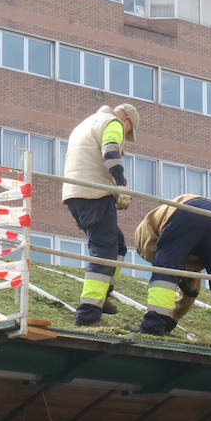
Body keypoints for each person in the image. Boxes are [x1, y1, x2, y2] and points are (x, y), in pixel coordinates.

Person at [62, 102, 140, 326]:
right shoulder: (112, 123)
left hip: (73, 194)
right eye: (129, 132)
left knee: (118, 245)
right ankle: (88, 314)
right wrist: (121, 185)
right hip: (94, 194)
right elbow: (111, 152)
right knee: (103, 250)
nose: (126, 135)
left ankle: (103, 295)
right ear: (126, 121)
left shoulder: (85, 124)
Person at [133, 194, 211, 343]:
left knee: (165, 268)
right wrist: (173, 317)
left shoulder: (144, 235)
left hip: (188, 211)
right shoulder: (189, 250)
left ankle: (152, 326)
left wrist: (169, 267)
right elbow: (191, 290)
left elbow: (161, 260)